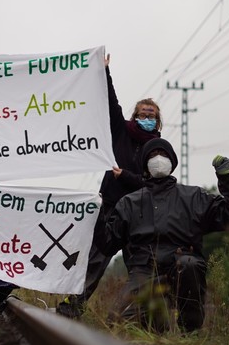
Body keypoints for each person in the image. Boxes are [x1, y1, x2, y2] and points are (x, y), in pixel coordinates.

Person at [98, 138, 229, 332]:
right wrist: (98, 215)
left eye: (164, 155)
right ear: (145, 165)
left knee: (188, 264)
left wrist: (226, 177)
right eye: (152, 155)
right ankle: (157, 326)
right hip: (144, 271)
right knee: (117, 326)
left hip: (181, 266)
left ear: (172, 162)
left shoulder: (194, 197)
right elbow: (107, 244)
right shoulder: (129, 203)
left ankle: (190, 330)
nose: (158, 159)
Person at [57, 55, 163, 318]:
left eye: (152, 115)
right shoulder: (121, 132)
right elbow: (111, 104)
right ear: (135, 115)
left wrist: (125, 176)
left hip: (138, 215)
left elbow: (152, 184)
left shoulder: (159, 150)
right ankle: (73, 307)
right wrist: (105, 72)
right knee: (95, 260)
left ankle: (140, 316)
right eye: (143, 113)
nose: (147, 117)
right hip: (112, 210)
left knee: (139, 266)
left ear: (157, 120)